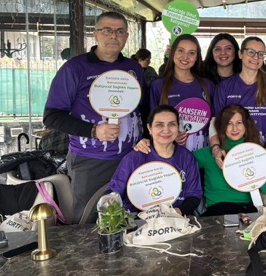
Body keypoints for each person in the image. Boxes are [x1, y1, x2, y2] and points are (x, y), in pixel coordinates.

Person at [43, 11, 144, 223]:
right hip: (91, 161)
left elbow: (140, 108)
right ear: (95, 34)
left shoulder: (133, 68)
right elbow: (52, 116)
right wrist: (93, 131)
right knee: (90, 224)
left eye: (120, 31)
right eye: (107, 30)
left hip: (131, 157)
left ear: (126, 36)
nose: (114, 35)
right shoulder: (74, 68)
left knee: (129, 220)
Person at [109, 105, 202, 215]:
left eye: (172, 124)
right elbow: (114, 193)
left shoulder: (187, 158)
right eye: (159, 125)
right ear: (149, 128)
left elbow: (194, 195)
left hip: (176, 218)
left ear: (178, 127)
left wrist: (175, 212)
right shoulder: (134, 158)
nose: (166, 130)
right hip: (138, 219)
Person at [194, 104, 266, 216]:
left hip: (246, 210)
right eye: (229, 123)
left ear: (246, 125)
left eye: (239, 123)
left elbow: (265, 185)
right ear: (222, 127)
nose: (235, 128)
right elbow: (181, 164)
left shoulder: (254, 152)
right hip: (217, 212)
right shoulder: (209, 153)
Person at [211, 36, 266, 164]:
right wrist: (215, 147)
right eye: (250, 52)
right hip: (233, 154)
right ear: (240, 54)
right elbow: (215, 121)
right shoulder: (225, 86)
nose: (256, 57)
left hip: (264, 151)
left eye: (261, 54)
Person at [149, 34, 214, 152]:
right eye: (180, 50)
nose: (185, 57)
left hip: (202, 153)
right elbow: (152, 123)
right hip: (170, 153)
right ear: (172, 53)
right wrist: (171, 135)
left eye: (192, 53)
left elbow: (214, 122)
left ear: (197, 57)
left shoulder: (208, 85)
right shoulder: (158, 85)